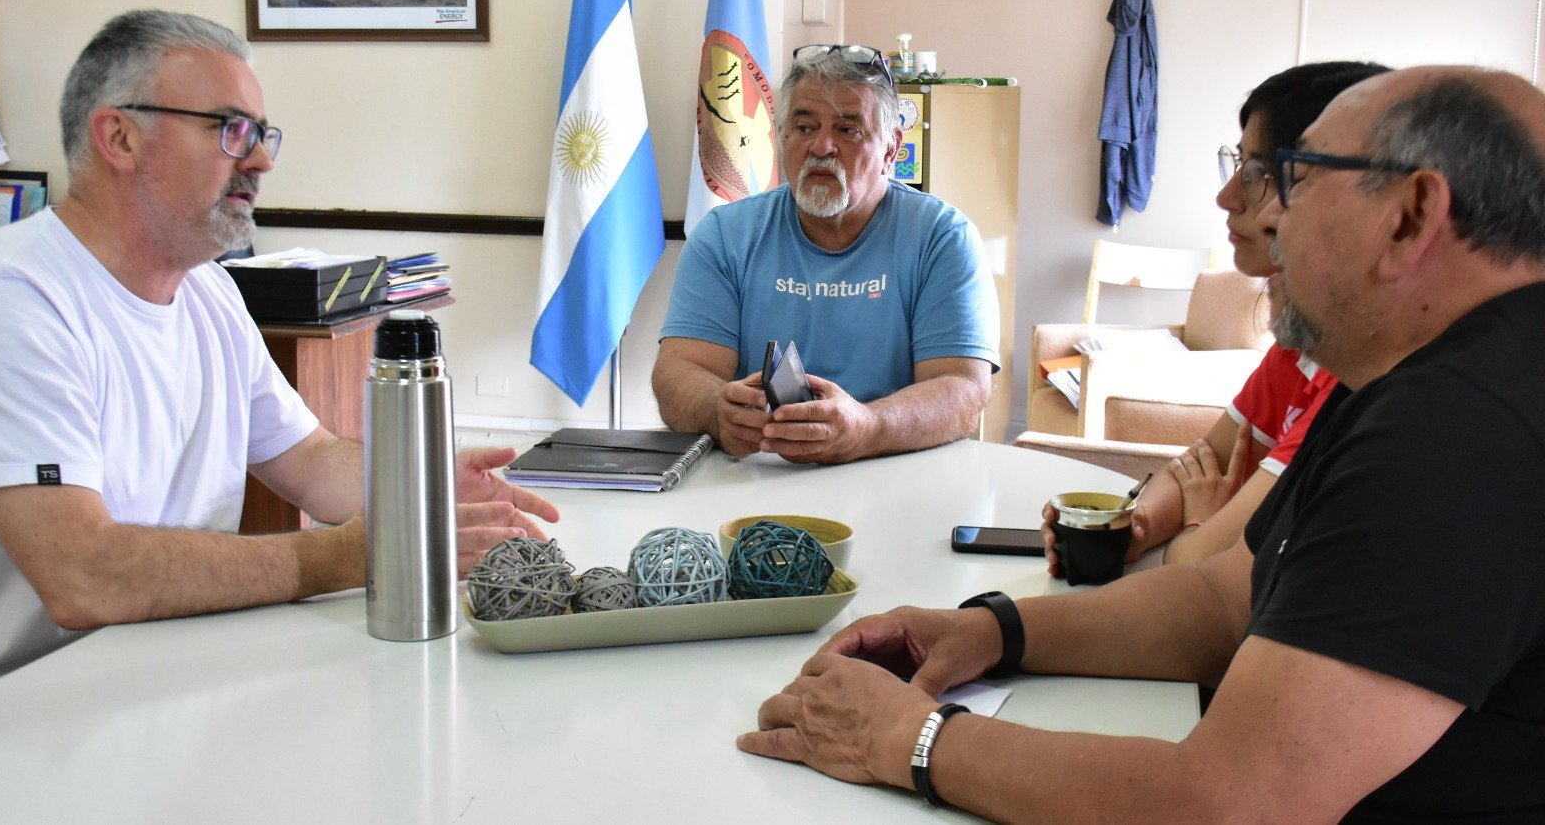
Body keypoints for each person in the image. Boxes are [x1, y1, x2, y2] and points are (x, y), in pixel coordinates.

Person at [740, 66, 1545, 819]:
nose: (1256, 208)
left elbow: (1230, 802)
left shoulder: (1459, 431)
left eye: (1292, 179)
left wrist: (908, 740)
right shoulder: (1404, 376)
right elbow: (1226, 599)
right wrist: (991, 630)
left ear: (1409, 217)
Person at [0, 10, 559, 694]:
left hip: (160, 679)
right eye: (231, 130)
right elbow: (85, 575)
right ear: (118, 136)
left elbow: (313, 462)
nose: (261, 159)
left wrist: (421, 484)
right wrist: (361, 554)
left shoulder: (209, 292)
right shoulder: (3, 297)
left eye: (263, 135)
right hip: (6, 716)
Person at [1053, 61, 1390, 569]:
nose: (1226, 196)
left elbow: (1207, 573)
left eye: (1257, 175)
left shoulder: (1352, 382)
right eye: (1236, 167)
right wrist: (1132, 527)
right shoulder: (1299, 347)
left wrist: (1197, 526)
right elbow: (1197, 466)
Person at [653, 43, 999, 464]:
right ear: (781, 137)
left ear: (891, 150)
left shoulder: (943, 238)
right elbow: (678, 370)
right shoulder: (725, 236)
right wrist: (716, 410)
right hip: (755, 480)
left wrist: (867, 428)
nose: (821, 146)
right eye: (804, 127)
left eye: (848, 129)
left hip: (894, 471)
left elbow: (963, 388)